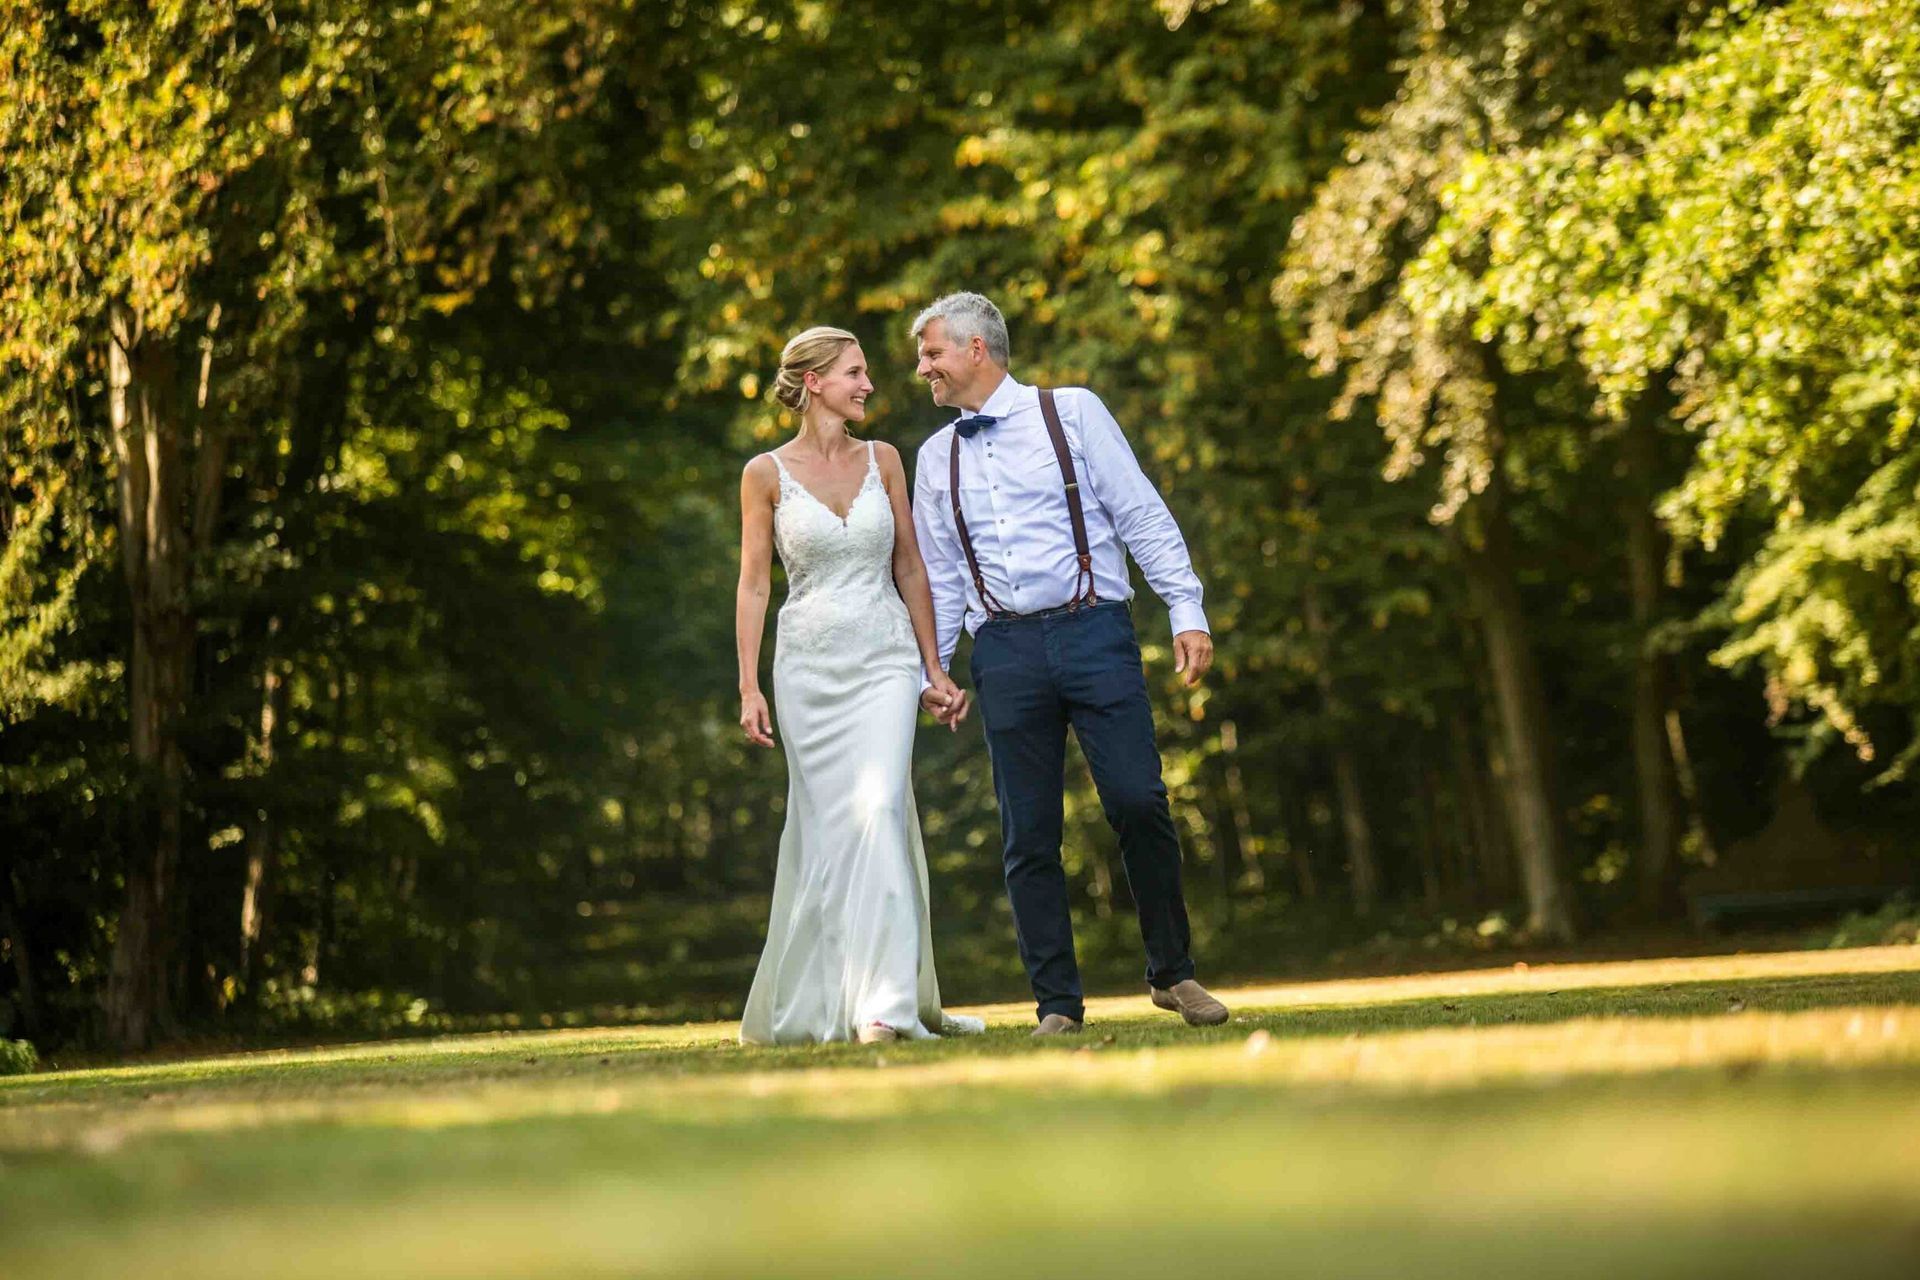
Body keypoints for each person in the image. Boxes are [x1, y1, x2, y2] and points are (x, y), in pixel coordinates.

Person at [908, 292, 1230, 1036]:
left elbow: (1140, 512)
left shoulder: (1073, 413)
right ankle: (1057, 1004)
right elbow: (947, 573)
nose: (922, 369)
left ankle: (1173, 973)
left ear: (975, 350)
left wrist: (1186, 609)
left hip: (1095, 631)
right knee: (1028, 833)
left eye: (932, 354)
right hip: (1005, 650)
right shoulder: (935, 457)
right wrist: (940, 668)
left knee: (1139, 802)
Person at [735, 325, 985, 1045]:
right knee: (832, 832)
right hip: (808, 668)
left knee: (879, 808)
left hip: (884, 660)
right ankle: (833, 998)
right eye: (855, 373)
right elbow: (755, 585)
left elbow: (909, 567)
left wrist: (933, 670)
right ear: (813, 383)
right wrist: (748, 686)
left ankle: (886, 1005)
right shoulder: (764, 474)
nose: (870, 383)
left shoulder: (885, 460)